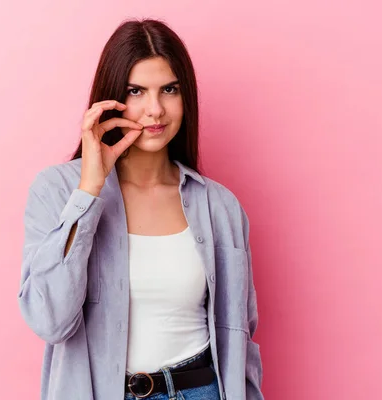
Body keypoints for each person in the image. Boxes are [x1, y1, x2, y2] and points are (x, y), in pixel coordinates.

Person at [18, 18, 264, 400]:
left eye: (169, 89)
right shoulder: (58, 190)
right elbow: (49, 319)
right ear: (111, 96)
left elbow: (241, 337)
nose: (155, 110)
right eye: (136, 91)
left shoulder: (220, 207)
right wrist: (89, 190)